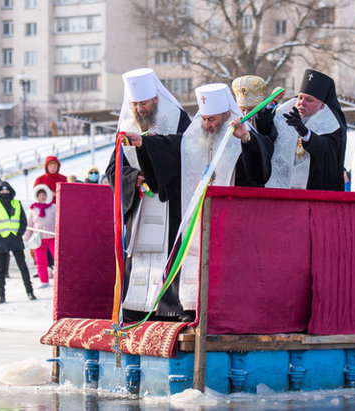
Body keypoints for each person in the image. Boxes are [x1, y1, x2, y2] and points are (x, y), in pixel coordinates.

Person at [123, 83, 272, 320]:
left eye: (212, 119)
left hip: (232, 219)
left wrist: (245, 139)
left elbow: (259, 172)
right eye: (203, 119)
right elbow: (172, 145)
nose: (207, 125)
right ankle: (191, 306)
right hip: (198, 217)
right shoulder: (195, 136)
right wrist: (144, 143)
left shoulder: (243, 134)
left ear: (226, 115)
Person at [103, 68, 192, 321]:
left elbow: (185, 153)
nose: (140, 109)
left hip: (169, 203)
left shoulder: (177, 118)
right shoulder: (126, 125)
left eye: (143, 103)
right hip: (141, 205)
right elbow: (113, 169)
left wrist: (149, 149)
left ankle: (170, 308)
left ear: (155, 99)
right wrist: (133, 178)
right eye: (135, 104)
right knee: (139, 256)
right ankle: (136, 307)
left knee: (170, 253)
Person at [266, 69, 347, 191]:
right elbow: (265, 132)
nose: (301, 103)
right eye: (300, 97)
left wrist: (305, 133)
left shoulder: (332, 125)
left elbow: (326, 151)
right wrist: (270, 105)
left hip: (312, 194)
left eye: (309, 100)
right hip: (281, 190)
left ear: (322, 106)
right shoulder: (287, 112)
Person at [0, 181, 36, 304]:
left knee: (23, 267)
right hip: (0, 240)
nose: (4, 192)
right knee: (0, 270)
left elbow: (23, 221)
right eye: (2, 191)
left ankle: (30, 292)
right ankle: (1, 296)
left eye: (6, 190)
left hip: (15, 238)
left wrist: (18, 233)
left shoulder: (16, 203)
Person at [24, 184, 56, 288]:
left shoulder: (53, 207)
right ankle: (44, 281)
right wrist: (26, 238)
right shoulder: (33, 209)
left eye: (44, 195)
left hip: (52, 237)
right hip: (38, 238)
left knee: (57, 258)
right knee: (40, 260)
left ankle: (59, 278)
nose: (42, 197)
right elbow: (29, 225)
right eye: (40, 195)